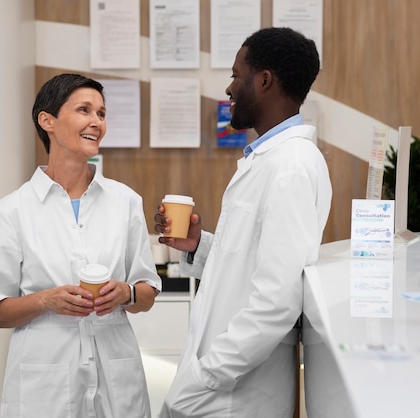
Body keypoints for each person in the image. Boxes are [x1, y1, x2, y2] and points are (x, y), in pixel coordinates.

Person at [154, 27, 332, 417]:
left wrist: (207, 377)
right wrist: (199, 245)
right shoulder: (268, 159)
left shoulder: (291, 166)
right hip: (222, 386)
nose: (230, 88)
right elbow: (252, 262)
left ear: (264, 80)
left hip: (236, 394)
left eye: (237, 74)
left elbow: (277, 301)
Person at [0, 73, 161, 418]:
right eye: (85, 110)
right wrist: (46, 300)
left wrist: (126, 293)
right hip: (44, 390)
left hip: (116, 384)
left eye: (102, 114)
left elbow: (147, 292)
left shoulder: (126, 202)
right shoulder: (12, 211)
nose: (97, 122)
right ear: (47, 120)